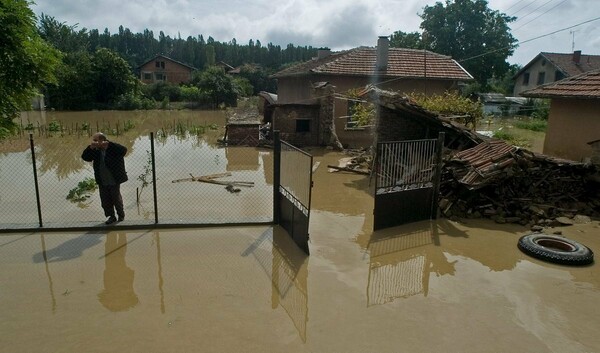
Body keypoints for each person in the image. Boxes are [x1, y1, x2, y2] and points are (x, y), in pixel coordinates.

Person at [82, 132, 128, 225]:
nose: (94, 142)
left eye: (95, 140)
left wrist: (109, 144)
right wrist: (90, 147)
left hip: (114, 179)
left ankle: (121, 215)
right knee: (105, 200)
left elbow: (124, 150)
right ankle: (111, 216)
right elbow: (85, 157)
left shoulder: (112, 148)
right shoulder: (95, 150)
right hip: (102, 180)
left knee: (116, 198)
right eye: (93, 140)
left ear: (102, 140)